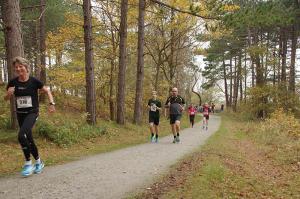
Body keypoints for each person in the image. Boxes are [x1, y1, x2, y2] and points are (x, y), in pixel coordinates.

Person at [4, 56, 55, 177]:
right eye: (16, 67)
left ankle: (28, 163)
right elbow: (6, 98)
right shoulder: (13, 82)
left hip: (32, 113)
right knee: (29, 139)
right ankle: (38, 162)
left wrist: (52, 103)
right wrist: (9, 94)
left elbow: (47, 90)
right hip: (20, 114)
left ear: (26, 67)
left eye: (20, 66)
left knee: (21, 135)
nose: (18, 69)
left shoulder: (34, 81)